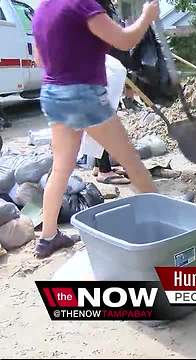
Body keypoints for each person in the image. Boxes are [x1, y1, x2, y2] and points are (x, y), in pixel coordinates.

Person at [32, 0, 160, 258]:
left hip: (53, 94)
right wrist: (147, 16)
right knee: (130, 159)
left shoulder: (42, 9)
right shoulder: (82, 4)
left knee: (61, 168)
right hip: (84, 95)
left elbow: (39, 59)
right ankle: (165, 220)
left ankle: (47, 237)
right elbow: (124, 41)